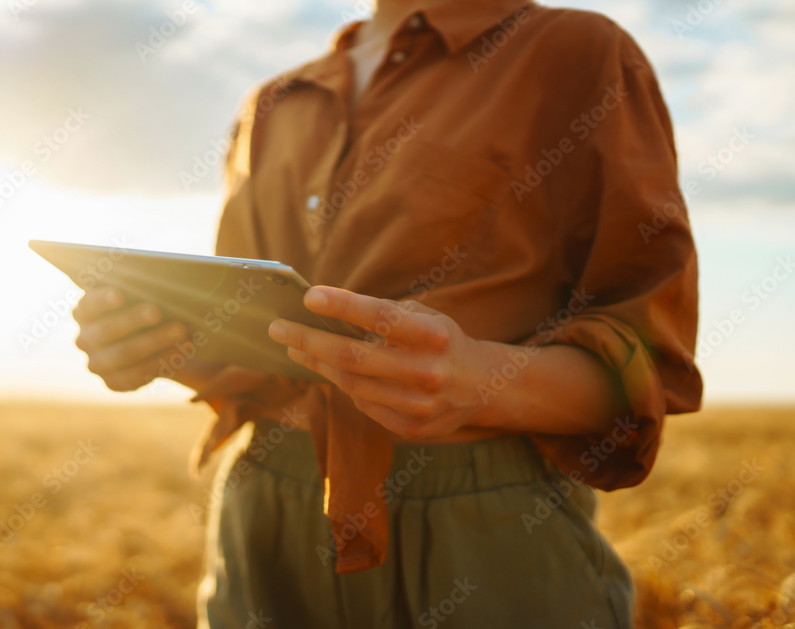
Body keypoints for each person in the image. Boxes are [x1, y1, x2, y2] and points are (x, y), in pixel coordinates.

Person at [72, 0, 703, 626]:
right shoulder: (273, 102)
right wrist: (156, 347)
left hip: (482, 527)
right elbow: (248, 327)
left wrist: (483, 381)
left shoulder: (577, 52)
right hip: (261, 510)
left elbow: (650, 361)